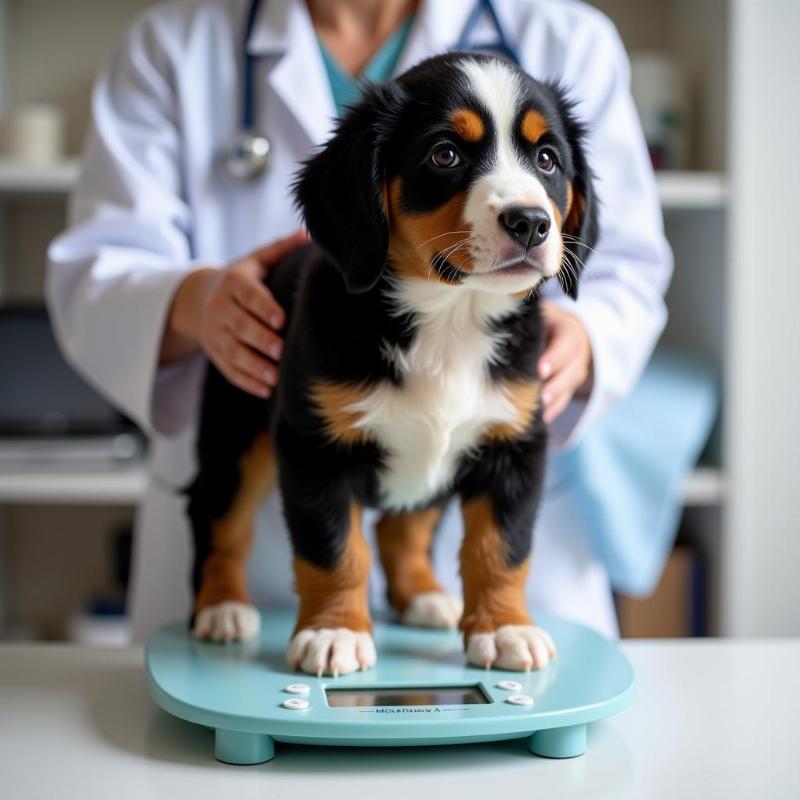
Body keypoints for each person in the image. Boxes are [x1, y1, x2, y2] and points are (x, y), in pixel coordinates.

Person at [47, 0, 671, 643]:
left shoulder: (566, 36)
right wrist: (191, 300)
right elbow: (97, 264)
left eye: (542, 162)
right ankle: (239, 575)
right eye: (449, 156)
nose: (527, 206)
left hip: (518, 556)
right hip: (271, 556)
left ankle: (421, 575)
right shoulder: (173, 44)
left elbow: (627, 263)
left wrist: (590, 336)